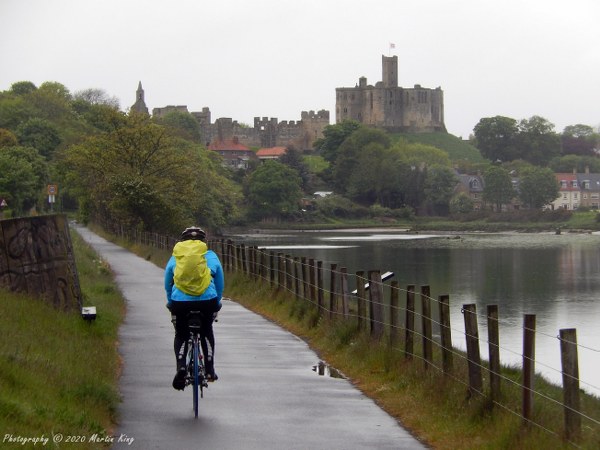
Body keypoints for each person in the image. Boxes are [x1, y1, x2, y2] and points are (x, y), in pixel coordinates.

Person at [164, 226, 224, 390]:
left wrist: (171, 301)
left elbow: (167, 280)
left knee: (181, 334)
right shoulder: (210, 256)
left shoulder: (176, 256)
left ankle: (181, 366)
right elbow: (219, 282)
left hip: (180, 302)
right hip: (207, 301)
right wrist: (217, 301)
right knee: (206, 330)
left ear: (182, 241)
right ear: (203, 242)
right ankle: (210, 369)